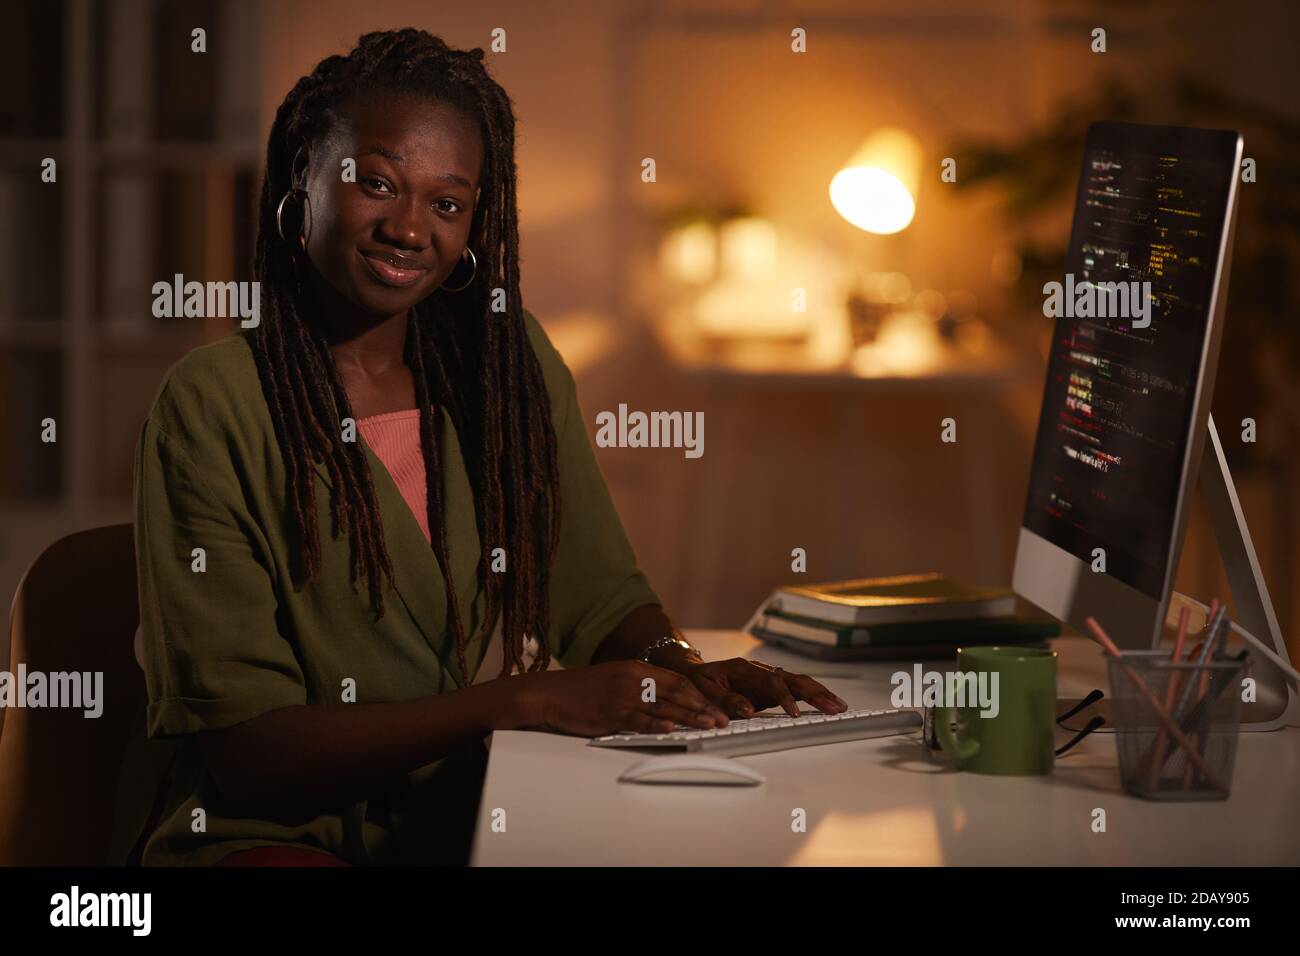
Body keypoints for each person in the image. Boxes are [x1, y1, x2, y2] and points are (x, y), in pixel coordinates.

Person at [133, 28, 846, 866]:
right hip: (280, 839)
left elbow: (597, 595)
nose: (409, 228)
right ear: (304, 178)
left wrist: (689, 673)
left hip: (475, 813)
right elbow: (250, 754)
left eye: (447, 203)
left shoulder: (505, 367)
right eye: (376, 183)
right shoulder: (212, 403)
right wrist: (525, 701)